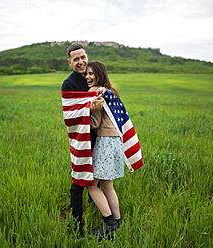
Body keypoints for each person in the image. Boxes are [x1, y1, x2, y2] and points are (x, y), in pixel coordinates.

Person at [61, 43, 104, 237]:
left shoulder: (93, 76)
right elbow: (70, 114)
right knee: (79, 182)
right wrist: (89, 104)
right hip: (81, 136)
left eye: (83, 57)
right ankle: (77, 224)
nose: (81, 62)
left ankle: (105, 216)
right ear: (70, 62)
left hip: (99, 135)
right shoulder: (69, 84)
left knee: (99, 177)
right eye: (76, 59)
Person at [85, 61, 123, 237]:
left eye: (91, 73)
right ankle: (117, 221)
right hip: (116, 140)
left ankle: (109, 222)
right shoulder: (112, 90)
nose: (88, 77)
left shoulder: (94, 91)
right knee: (108, 185)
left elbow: (95, 122)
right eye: (86, 74)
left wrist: (87, 113)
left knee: (90, 183)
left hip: (105, 140)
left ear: (100, 74)